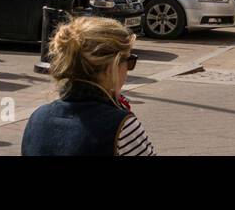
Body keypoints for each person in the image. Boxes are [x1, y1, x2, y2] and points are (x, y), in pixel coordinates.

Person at [21, 16, 155, 156]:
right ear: (112, 67)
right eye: (129, 61)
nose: (128, 69)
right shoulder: (121, 126)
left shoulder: (38, 118)